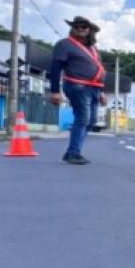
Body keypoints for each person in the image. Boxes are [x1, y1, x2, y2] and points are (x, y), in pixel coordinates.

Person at [47, 16, 107, 165]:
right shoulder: (64, 44)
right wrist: (55, 91)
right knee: (83, 119)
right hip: (78, 86)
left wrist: (102, 91)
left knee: (91, 121)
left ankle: (71, 152)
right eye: (77, 26)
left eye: (84, 26)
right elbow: (55, 68)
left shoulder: (93, 48)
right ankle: (74, 153)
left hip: (95, 88)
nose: (80, 29)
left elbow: (99, 68)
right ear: (72, 28)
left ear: (89, 30)